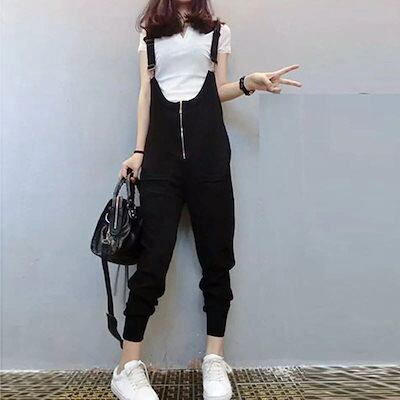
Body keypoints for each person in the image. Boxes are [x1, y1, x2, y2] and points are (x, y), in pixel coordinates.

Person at [110, 1, 302, 399]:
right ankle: (127, 366)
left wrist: (250, 82)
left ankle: (214, 358)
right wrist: (139, 152)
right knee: (152, 261)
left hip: (210, 157)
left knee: (217, 258)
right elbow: (145, 93)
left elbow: (216, 91)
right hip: (160, 162)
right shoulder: (149, 32)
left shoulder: (218, 31)